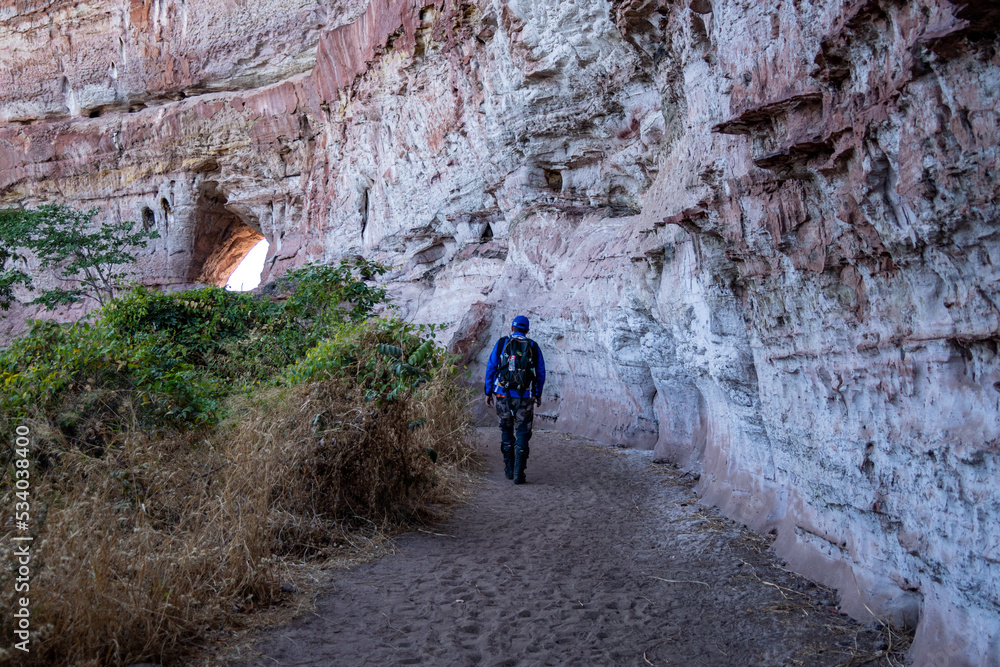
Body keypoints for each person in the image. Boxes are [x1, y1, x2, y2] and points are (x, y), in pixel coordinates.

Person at [484, 315, 546, 484]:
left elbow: (491, 367)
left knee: (506, 431)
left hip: (502, 395)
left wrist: (488, 392)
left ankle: (509, 469)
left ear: (512, 328)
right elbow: (540, 373)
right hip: (525, 397)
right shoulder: (532, 346)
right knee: (522, 433)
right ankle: (519, 472)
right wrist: (537, 394)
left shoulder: (502, 343)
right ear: (527, 330)